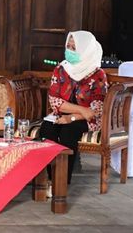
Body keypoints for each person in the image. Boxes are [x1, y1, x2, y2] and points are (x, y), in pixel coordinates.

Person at [40, 30, 108, 186]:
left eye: (74, 48)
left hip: (88, 120)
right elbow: (55, 100)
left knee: (68, 132)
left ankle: (62, 183)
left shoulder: (98, 74)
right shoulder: (61, 69)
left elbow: (96, 110)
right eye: (68, 46)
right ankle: (52, 179)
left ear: (86, 50)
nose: (69, 51)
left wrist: (71, 117)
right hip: (63, 114)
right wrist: (82, 110)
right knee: (47, 130)